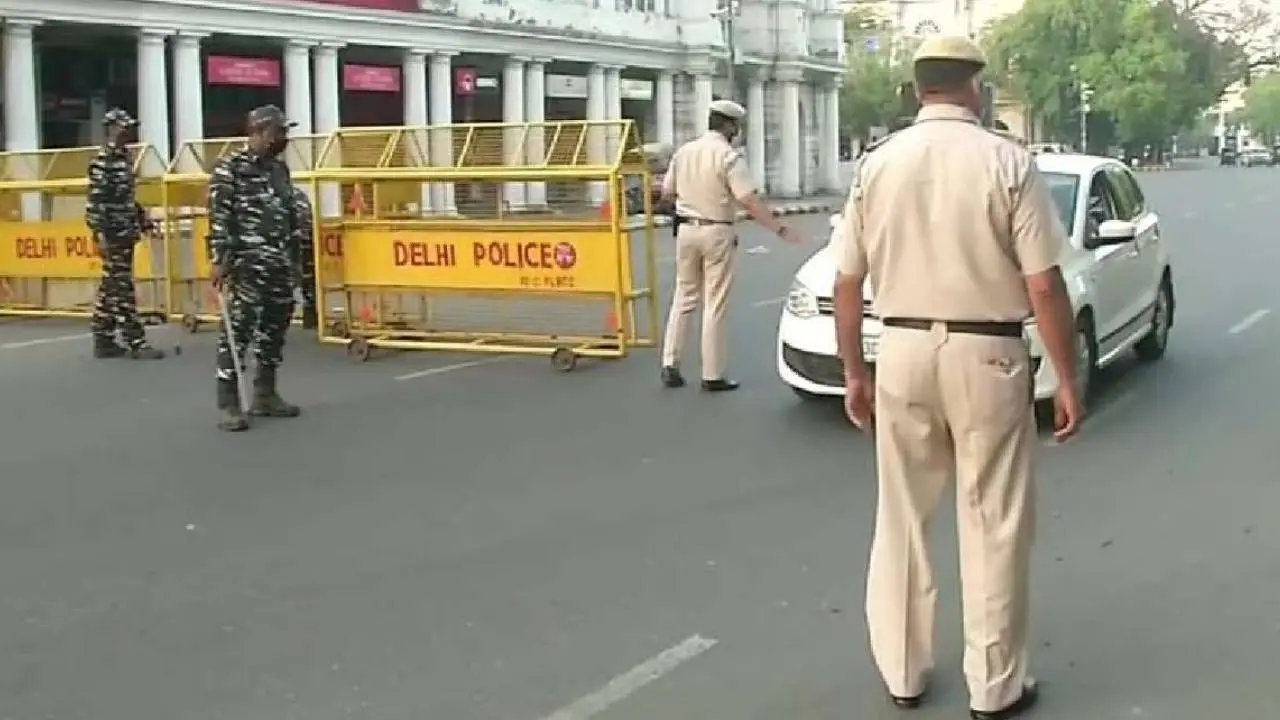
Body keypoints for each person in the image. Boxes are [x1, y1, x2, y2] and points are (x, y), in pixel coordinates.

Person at [832, 36, 1085, 719]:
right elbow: (1044, 284)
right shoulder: (1007, 161)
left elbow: (847, 282)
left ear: (918, 89)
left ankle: (905, 673)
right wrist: (1066, 377)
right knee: (993, 520)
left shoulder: (876, 165)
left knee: (904, 517)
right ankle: (995, 687)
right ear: (977, 86)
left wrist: (854, 371)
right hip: (988, 355)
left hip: (903, 351)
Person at [658, 99, 798, 391]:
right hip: (717, 231)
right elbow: (748, 199)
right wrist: (778, 228)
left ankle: (670, 362)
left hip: (686, 229)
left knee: (684, 297)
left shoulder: (684, 152)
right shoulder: (728, 157)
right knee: (715, 303)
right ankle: (712, 374)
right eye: (736, 126)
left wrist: (687, 209)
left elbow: (667, 193)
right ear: (729, 126)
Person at [208, 105, 306, 432]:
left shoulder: (280, 170)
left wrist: (295, 259)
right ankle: (229, 403)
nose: (284, 138)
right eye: (279, 132)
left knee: (275, 329)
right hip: (247, 263)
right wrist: (220, 260)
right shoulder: (230, 169)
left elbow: (291, 214)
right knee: (238, 332)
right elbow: (220, 218)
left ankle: (265, 392)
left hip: (278, 262)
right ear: (261, 131)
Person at [86, 108, 165, 360]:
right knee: (122, 287)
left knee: (112, 284)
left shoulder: (125, 158)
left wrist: (142, 221)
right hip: (112, 233)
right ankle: (136, 341)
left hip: (125, 229)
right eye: (124, 127)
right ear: (111, 129)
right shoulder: (103, 161)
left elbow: (127, 198)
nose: (128, 131)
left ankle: (103, 337)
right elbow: (96, 201)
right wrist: (98, 234)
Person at [290, 184, 318, 330]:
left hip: (294, 241)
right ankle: (310, 311)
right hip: (305, 239)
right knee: (308, 277)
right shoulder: (297, 194)